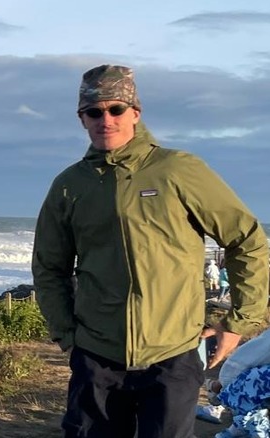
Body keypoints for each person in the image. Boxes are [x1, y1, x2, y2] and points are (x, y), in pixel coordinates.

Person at [32, 64, 269, 438]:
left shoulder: (177, 170)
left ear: (135, 113)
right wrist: (67, 335)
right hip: (97, 358)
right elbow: (49, 267)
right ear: (82, 119)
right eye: (94, 112)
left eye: (115, 109)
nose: (105, 119)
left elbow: (247, 240)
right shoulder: (70, 186)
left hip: (171, 356)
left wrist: (241, 322)